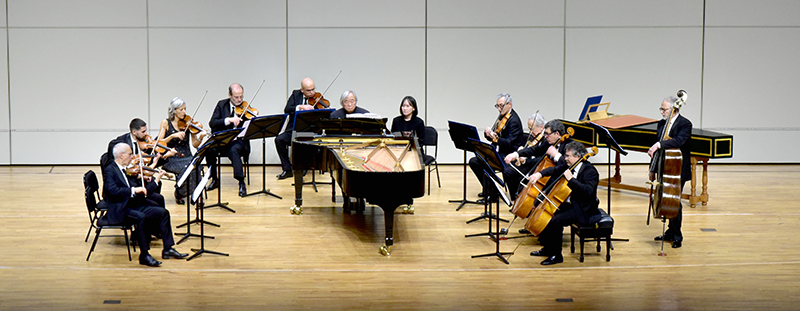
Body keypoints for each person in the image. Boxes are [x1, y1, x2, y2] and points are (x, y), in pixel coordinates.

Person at [103, 143, 188, 267]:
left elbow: (141, 188)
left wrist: (148, 181)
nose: (132, 157)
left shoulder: (126, 169)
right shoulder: (110, 170)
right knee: (141, 217)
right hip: (121, 207)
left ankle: (168, 248)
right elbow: (112, 191)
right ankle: (144, 255)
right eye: (130, 154)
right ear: (121, 155)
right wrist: (133, 190)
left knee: (163, 213)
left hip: (133, 203)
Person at [527, 141, 601, 265]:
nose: (565, 158)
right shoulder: (570, 166)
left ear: (578, 156)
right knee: (546, 213)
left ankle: (556, 255)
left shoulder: (590, 171)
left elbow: (588, 191)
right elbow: (555, 169)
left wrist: (571, 180)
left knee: (555, 220)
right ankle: (548, 248)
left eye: (568, 156)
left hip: (582, 208)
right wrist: (539, 174)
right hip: (570, 203)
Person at [506, 119, 574, 233]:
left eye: (547, 134)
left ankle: (543, 227)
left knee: (539, 198)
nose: (545, 137)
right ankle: (532, 223)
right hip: (549, 175)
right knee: (525, 188)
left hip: (561, 180)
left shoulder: (570, 145)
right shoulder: (549, 142)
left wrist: (556, 155)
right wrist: (516, 154)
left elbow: (568, 166)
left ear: (557, 133)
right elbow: (536, 150)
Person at [648, 95, 692, 248]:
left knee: (674, 201)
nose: (661, 112)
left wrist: (659, 144)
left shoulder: (685, 124)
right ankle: (669, 232)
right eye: (661, 109)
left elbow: (679, 141)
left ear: (674, 109)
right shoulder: (661, 124)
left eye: (664, 109)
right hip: (664, 168)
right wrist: (652, 169)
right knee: (666, 200)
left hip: (678, 169)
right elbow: (657, 151)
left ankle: (677, 235)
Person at [468, 93, 523, 204]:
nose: (499, 109)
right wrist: (488, 134)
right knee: (474, 161)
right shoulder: (502, 116)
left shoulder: (514, 121)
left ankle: (492, 195)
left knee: (485, 163)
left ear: (509, 104)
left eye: (501, 106)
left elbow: (509, 143)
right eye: (497, 106)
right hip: (499, 152)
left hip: (508, 155)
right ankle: (490, 190)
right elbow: (495, 137)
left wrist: (495, 138)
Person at [156, 97, 208, 204]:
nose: (184, 112)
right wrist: (172, 136)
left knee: (196, 165)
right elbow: (159, 143)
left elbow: (195, 144)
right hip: (171, 158)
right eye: (181, 109)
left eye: (185, 109)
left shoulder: (188, 123)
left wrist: (200, 137)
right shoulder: (166, 123)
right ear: (174, 111)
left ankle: (197, 194)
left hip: (187, 155)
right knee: (186, 168)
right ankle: (180, 192)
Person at [206, 83, 251, 197]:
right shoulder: (221, 105)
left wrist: (252, 118)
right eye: (236, 97)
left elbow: (251, 126)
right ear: (229, 95)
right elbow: (212, 123)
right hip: (224, 140)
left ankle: (241, 182)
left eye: (241, 96)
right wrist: (228, 120)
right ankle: (214, 179)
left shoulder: (245, 107)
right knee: (209, 150)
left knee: (234, 150)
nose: (239, 100)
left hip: (239, 141)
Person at [275, 78, 318, 180]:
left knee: (303, 143)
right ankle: (287, 169)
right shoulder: (295, 94)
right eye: (308, 90)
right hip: (293, 129)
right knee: (279, 140)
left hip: (309, 131)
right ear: (302, 90)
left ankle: (304, 167)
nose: (312, 92)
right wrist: (300, 107)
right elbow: (287, 109)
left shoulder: (317, 98)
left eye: (313, 89)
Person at [501, 113, 546, 200]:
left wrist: (525, 160)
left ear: (541, 127)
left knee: (510, 173)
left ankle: (518, 197)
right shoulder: (533, 137)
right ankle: (515, 196)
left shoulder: (545, 140)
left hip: (535, 166)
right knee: (507, 169)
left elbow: (540, 159)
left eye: (532, 129)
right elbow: (529, 150)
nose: (530, 132)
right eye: (529, 129)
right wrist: (522, 151)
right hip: (528, 163)